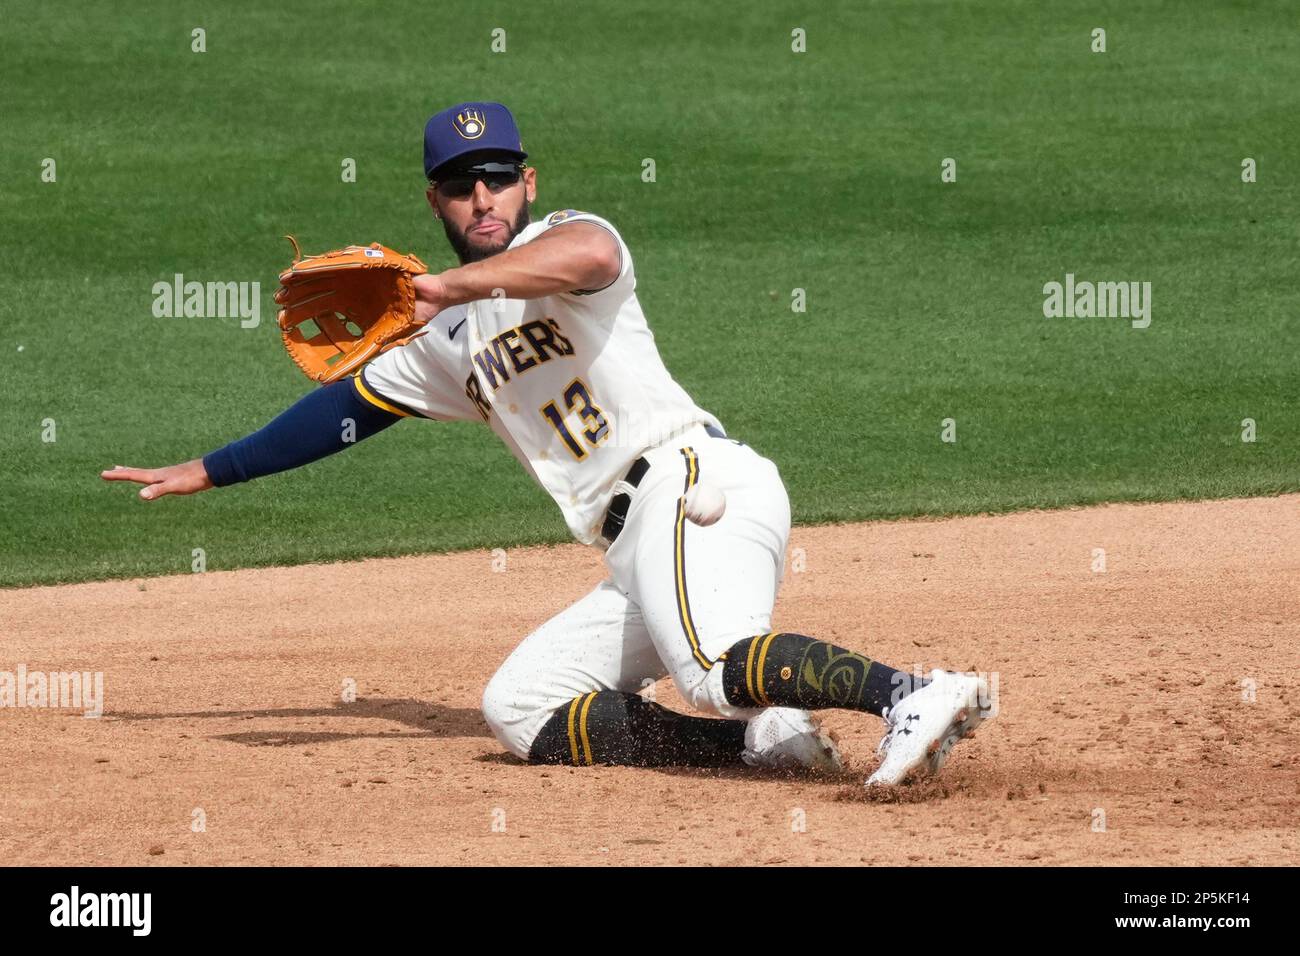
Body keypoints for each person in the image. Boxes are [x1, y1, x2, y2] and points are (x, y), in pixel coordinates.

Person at [102, 101, 993, 784]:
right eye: (460, 183)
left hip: (694, 491)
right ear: (435, 199)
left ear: (527, 181)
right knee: (520, 708)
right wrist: (211, 469)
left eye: (496, 176)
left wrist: (449, 285)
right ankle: (762, 751)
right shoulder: (443, 342)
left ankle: (908, 693)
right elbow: (346, 410)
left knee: (716, 668)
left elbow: (586, 262)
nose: (480, 196)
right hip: (637, 546)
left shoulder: (573, 241)